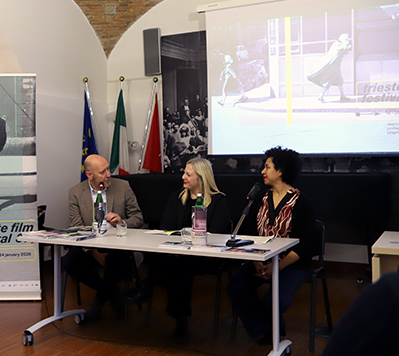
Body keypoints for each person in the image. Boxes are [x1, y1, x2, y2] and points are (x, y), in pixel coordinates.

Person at [126, 158, 229, 343]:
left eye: (188, 174)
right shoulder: (177, 197)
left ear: (201, 178)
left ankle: (148, 287)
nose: (183, 177)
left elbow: (218, 233)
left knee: (177, 266)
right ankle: (180, 320)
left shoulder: (217, 200)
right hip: (176, 252)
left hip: (203, 255)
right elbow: (166, 227)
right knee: (173, 264)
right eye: (184, 173)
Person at [226, 146, 316, 345]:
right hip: (261, 258)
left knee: (276, 301)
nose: (262, 171)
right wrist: (256, 261)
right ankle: (268, 329)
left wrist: (277, 266)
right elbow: (249, 233)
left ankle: (272, 329)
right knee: (236, 286)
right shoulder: (260, 199)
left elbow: (308, 244)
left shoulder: (302, 202)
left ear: (280, 171)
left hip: (291, 264)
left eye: (267, 167)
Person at [63, 154, 144, 321]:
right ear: (89, 175)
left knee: (117, 259)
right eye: (103, 172)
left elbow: (138, 218)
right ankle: (112, 293)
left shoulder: (123, 187)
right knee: (69, 261)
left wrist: (122, 222)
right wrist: (93, 252)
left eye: (108, 169)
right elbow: (77, 227)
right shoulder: (75, 193)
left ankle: (99, 302)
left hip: (118, 244)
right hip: (91, 245)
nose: (108, 174)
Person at [307, 33, 351, 103]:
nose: (347, 40)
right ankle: (320, 97)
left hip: (336, 66)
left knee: (339, 81)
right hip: (332, 67)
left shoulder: (340, 44)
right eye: (346, 38)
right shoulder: (337, 44)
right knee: (329, 82)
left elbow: (343, 51)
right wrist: (347, 46)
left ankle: (342, 96)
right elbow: (341, 50)